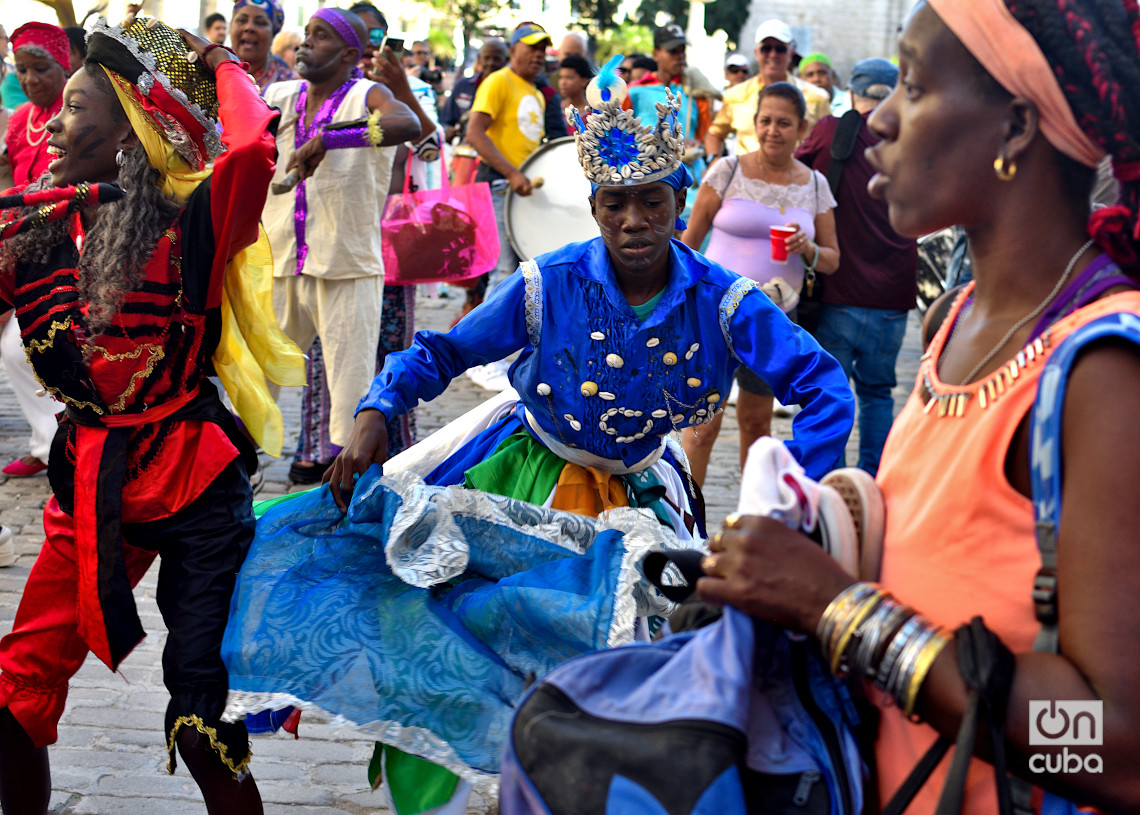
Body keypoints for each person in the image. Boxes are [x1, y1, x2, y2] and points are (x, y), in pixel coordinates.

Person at [222, 67, 853, 815]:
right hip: (523, 477)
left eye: (652, 201)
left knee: (638, 670)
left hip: (645, 497)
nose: (633, 221)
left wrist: (792, 510)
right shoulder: (545, 283)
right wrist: (377, 410)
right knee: (472, 642)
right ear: (592, 208)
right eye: (615, 203)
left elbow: (825, 386)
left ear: (679, 203)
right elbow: (442, 353)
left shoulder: (724, 300)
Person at [698, 1, 1140, 813]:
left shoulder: (1105, 373)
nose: (882, 120)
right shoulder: (957, 321)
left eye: (912, 84)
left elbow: (1116, 747)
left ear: (1013, 127)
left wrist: (839, 608)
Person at [0, 15, 307, 813]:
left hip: (194, 487)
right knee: (11, 696)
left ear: (130, 132)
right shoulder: (35, 229)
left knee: (201, 720)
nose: (53, 123)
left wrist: (213, 60)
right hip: (92, 491)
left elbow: (247, 151)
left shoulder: (193, 223)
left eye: (74, 110)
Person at [261, 8, 421, 483]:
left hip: (346, 267)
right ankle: (231, 481)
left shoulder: (366, 94)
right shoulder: (280, 96)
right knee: (253, 383)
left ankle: (351, 499)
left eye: (322, 37)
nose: (307, 44)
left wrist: (332, 137)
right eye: (306, 35)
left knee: (351, 400)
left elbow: (407, 123)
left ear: (351, 53)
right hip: (281, 261)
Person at [680, 82, 840, 486]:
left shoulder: (815, 185)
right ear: (753, 123)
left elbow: (833, 259)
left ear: (802, 128)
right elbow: (688, 243)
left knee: (756, 424)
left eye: (784, 123)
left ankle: (750, 524)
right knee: (703, 424)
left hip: (772, 321)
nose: (773, 130)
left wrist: (809, 249)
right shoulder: (726, 170)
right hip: (713, 314)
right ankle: (682, 526)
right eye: (766, 121)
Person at [796, 58, 916, 476]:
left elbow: (794, 173)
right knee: (879, 393)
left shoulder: (832, 130)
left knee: (833, 394)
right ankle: (870, 483)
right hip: (894, 295)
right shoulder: (910, 136)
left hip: (839, 291)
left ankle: (834, 485)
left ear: (852, 94)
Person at [2, 22, 69, 479]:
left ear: (65, 66)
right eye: (22, 70)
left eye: (40, 68)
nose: (29, 79)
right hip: (22, 240)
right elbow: (9, 179)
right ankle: (49, 443)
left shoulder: (79, 111)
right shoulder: (18, 117)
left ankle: (64, 440)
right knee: (14, 350)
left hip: (67, 245)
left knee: (35, 342)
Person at [466, 22, 550, 291]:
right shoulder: (499, 81)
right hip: (500, 186)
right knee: (503, 273)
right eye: (532, 47)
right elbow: (475, 133)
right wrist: (512, 173)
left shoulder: (537, 94)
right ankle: (489, 334)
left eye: (543, 49)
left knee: (526, 272)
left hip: (524, 191)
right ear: (513, 49)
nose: (539, 54)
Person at [705, 19, 830, 160]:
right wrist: (714, 161)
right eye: (766, 48)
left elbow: (827, 143)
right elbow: (715, 133)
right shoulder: (735, 95)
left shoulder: (816, 98)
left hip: (795, 178)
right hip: (746, 178)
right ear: (757, 52)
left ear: (791, 53)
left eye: (780, 49)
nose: (773, 54)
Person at [626, 24, 720, 174]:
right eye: (672, 51)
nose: (680, 56)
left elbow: (708, 136)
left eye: (682, 51)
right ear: (655, 54)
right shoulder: (634, 92)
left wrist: (698, 144)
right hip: (648, 174)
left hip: (691, 175)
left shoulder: (695, 91)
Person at [440, 37, 507, 144]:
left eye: (497, 58)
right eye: (487, 58)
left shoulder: (510, 90)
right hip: (465, 152)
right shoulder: (463, 85)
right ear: (479, 59)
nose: (491, 63)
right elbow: (445, 120)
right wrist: (448, 130)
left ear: (506, 60)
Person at [230, 0, 295, 92]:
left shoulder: (288, 87)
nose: (249, 27)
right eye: (242, 20)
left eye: (260, 22)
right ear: (231, 26)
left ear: (273, 33)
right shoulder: (211, 73)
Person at [799, 51, 849, 116]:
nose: (816, 79)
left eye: (822, 73)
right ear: (801, 80)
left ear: (833, 76)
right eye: (810, 75)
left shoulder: (850, 101)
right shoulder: (798, 105)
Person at [558, 53, 592, 118]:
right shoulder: (555, 110)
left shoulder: (594, 115)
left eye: (569, 77)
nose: (563, 82)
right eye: (561, 77)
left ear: (584, 81)